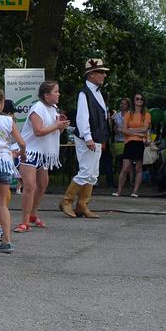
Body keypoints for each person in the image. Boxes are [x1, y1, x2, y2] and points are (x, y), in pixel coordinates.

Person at [16, 80, 69, 231]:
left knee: (43, 184)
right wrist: (57, 126)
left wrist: (61, 126)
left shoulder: (54, 109)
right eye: (56, 91)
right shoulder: (37, 108)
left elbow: (55, 131)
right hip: (30, 151)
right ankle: (24, 222)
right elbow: (38, 131)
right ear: (46, 95)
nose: (58, 94)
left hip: (43, 153)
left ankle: (33, 214)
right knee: (30, 186)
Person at [60, 59, 110, 218]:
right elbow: (82, 117)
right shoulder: (84, 93)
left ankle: (82, 204)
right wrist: (88, 137)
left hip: (96, 137)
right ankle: (66, 201)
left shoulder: (97, 91)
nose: (104, 75)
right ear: (92, 75)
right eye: (101, 72)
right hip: (88, 138)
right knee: (86, 171)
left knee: (93, 173)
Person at [0, 88, 26, 253]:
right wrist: (22, 154)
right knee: (2, 204)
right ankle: (6, 241)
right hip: (6, 162)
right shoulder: (9, 121)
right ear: (1, 103)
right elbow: (21, 143)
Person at [113, 93, 151, 197]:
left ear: (143, 101)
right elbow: (124, 130)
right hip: (129, 142)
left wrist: (132, 130)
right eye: (137, 99)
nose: (139, 100)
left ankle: (135, 191)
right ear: (134, 101)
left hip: (140, 143)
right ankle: (119, 191)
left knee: (138, 168)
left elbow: (145, 129)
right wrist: (138, 133)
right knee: (125, 168)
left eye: (141, 99)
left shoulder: (146, 114)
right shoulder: (128, 114)